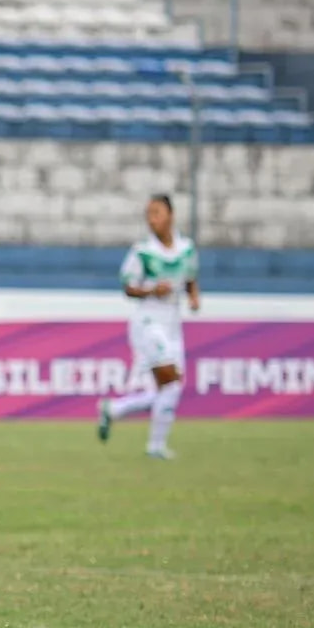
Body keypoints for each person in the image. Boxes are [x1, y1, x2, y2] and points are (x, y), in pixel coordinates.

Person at [98, 194, 199, 460]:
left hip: (172, 324)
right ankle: (150, 443)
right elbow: (128, 288)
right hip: (148, 322)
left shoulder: (186, 248)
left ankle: (119, 413)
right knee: (171, 380)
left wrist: (193, 296)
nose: (152, 219)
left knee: (170, 389)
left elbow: (190, 278)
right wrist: (152, 290)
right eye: (149, 214)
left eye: (157, 213)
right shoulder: (142, 251)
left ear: (171, 215)